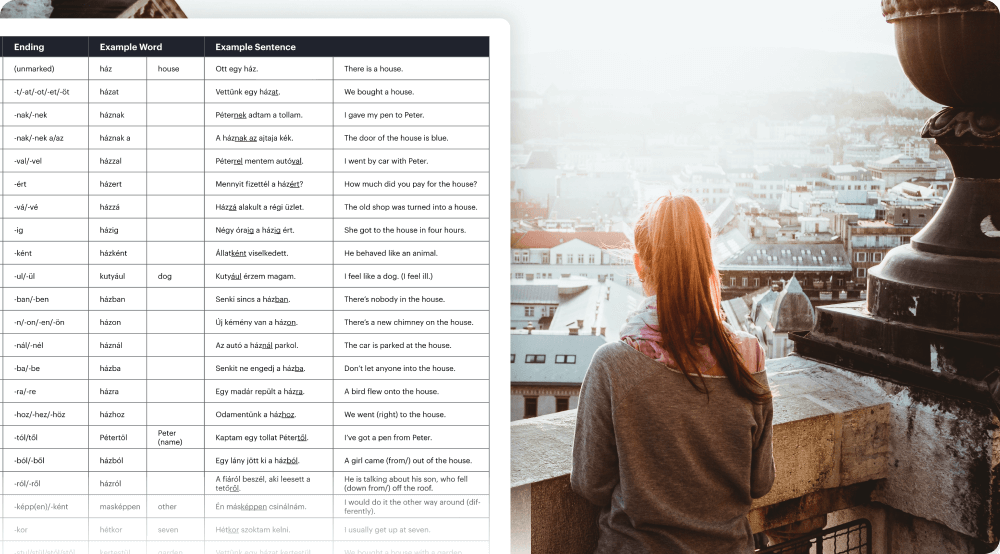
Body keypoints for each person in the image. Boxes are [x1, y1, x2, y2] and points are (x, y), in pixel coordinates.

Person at [570, 194, 775, 554]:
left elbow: (592, 484)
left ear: (639, 265)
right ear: (708, 262)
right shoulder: (748, 356)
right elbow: (760, 481)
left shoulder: (613, 365)